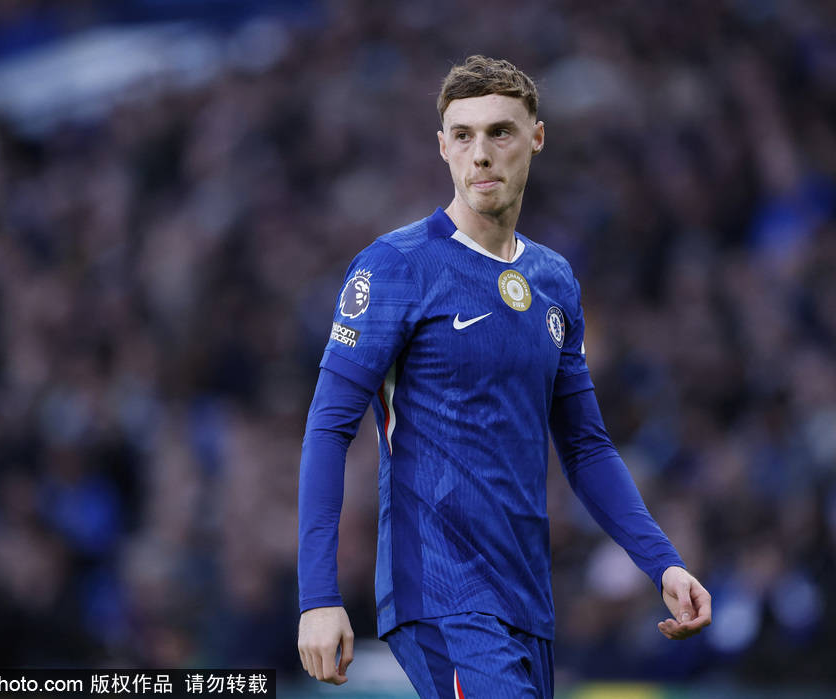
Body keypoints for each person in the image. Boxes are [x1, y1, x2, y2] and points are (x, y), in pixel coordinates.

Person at [297, 55, 711, 697]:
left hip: (527, 603)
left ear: (536, 138)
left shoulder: (553, 281)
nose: (481, 154)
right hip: (439, 594)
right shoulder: (396, 267)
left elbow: (585, 446)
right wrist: (318, 597)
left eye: (500, 132)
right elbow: (328, 428)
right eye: (463, 135)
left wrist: (663, 563)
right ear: (443, 147)